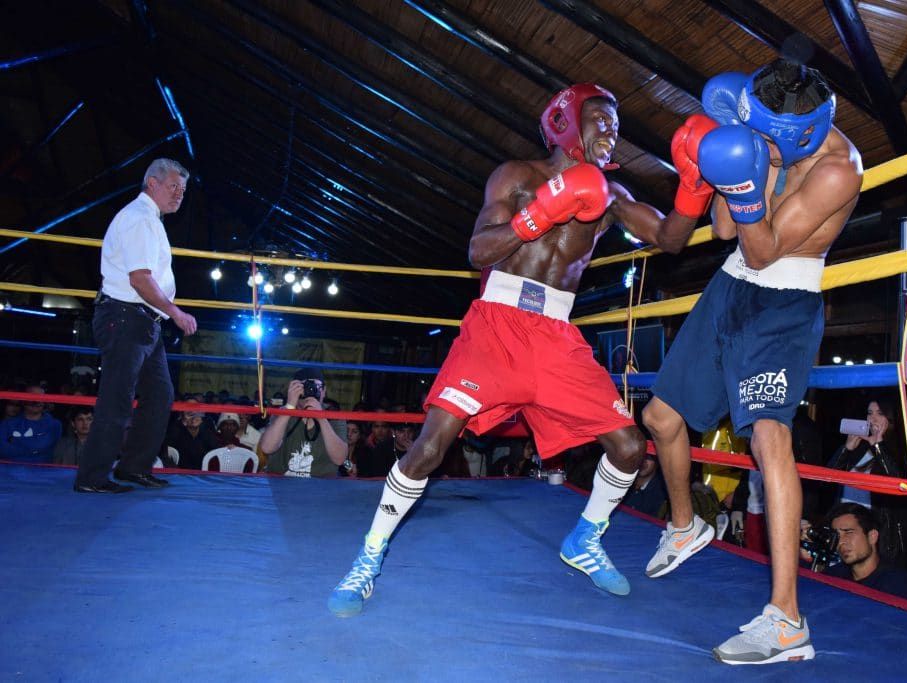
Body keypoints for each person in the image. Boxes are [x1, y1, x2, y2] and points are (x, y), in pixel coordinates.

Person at [328, 81, 707, 618]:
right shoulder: (516, 176)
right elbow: (478, 250)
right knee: (430, 448)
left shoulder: (610, 195)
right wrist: (540, 214)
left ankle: (585, 538)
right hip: (496, 325)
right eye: (601, 119)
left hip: (556, 334)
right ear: (566, 122)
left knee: (629, 448)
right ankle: (367, 558)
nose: (612, 132)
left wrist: (693, 188)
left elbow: (670, 238)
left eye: (616, 125)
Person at [642, 59, 863, 664]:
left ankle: (787, 621)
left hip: (782, 303)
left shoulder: (836, 170)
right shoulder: (761, 129)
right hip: (729, 288)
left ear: (802, 133)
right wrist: (729, 165)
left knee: (769, 439)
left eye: (769, 139)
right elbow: (724, 232)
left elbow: (764, 252)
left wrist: (747, 178)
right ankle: (685, 525)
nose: (760, 143)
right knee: (659, 418)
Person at [73, 158, 196, 493]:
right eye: (173, 186)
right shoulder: (139, 218)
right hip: (126, 316)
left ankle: (133, 467)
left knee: (160, 395)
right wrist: (175, 312)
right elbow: (140, 279)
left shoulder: (149, 220)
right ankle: (92, 478)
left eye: (183, 190)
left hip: (142, 321)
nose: (179, 194)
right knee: (117, 398)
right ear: (152, 183)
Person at [827, 398, 907, 567]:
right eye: (869, 413)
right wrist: (846, 449)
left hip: (873, 535)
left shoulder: (900, 450)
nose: (873, 419)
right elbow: (827, 478)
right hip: (844, 527)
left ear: (891, 419)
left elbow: (897, 481)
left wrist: (879, 445)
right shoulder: (859, 447)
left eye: (880, 413)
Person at [259, 368, 350, 478]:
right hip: (282, 483)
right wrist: (289, 407)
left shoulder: (334, 417)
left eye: (316, 386)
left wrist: (322, 418)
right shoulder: (281, 413)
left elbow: (339, 459)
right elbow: (267, 448)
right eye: (304, 386)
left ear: (324, 391)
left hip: (320, 485)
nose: (310, 391)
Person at [821, 503, 907, 601]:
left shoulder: (899, 585)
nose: (840, 542)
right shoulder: (832, 578)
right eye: (837, 536)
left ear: (872, 537)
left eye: (848, 533)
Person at [0, 385, 62, 463]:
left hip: (42, 470)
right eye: (32, 397)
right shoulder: (7, 424)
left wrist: (14, 441)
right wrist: (33, 450)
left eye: (40, 398)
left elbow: (41, 445)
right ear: (23, 400)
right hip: (11, 470)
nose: (36, 401)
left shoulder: (54, 424)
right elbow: (2, 450)